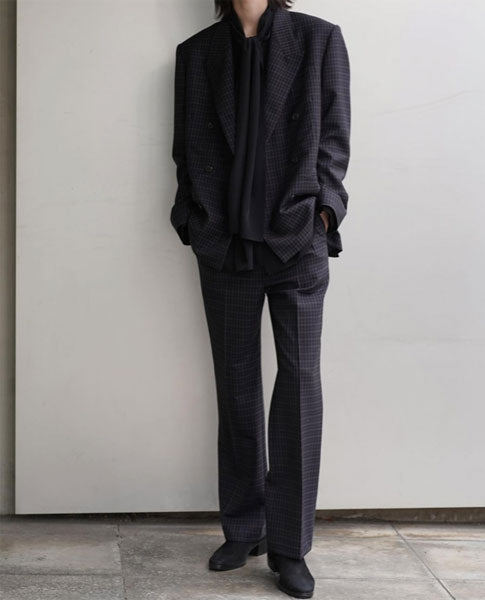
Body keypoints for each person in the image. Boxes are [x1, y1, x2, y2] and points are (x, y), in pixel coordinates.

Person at [170, 0, 351, 597]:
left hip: (298, 242)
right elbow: (186, 149)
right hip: (225, 247)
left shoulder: (319, 39)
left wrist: (325, 212)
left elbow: (334, 136)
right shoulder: (197, 53)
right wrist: (193, 219)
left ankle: (290, 545)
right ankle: (244, 528)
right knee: (236, 388)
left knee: (298, 386)